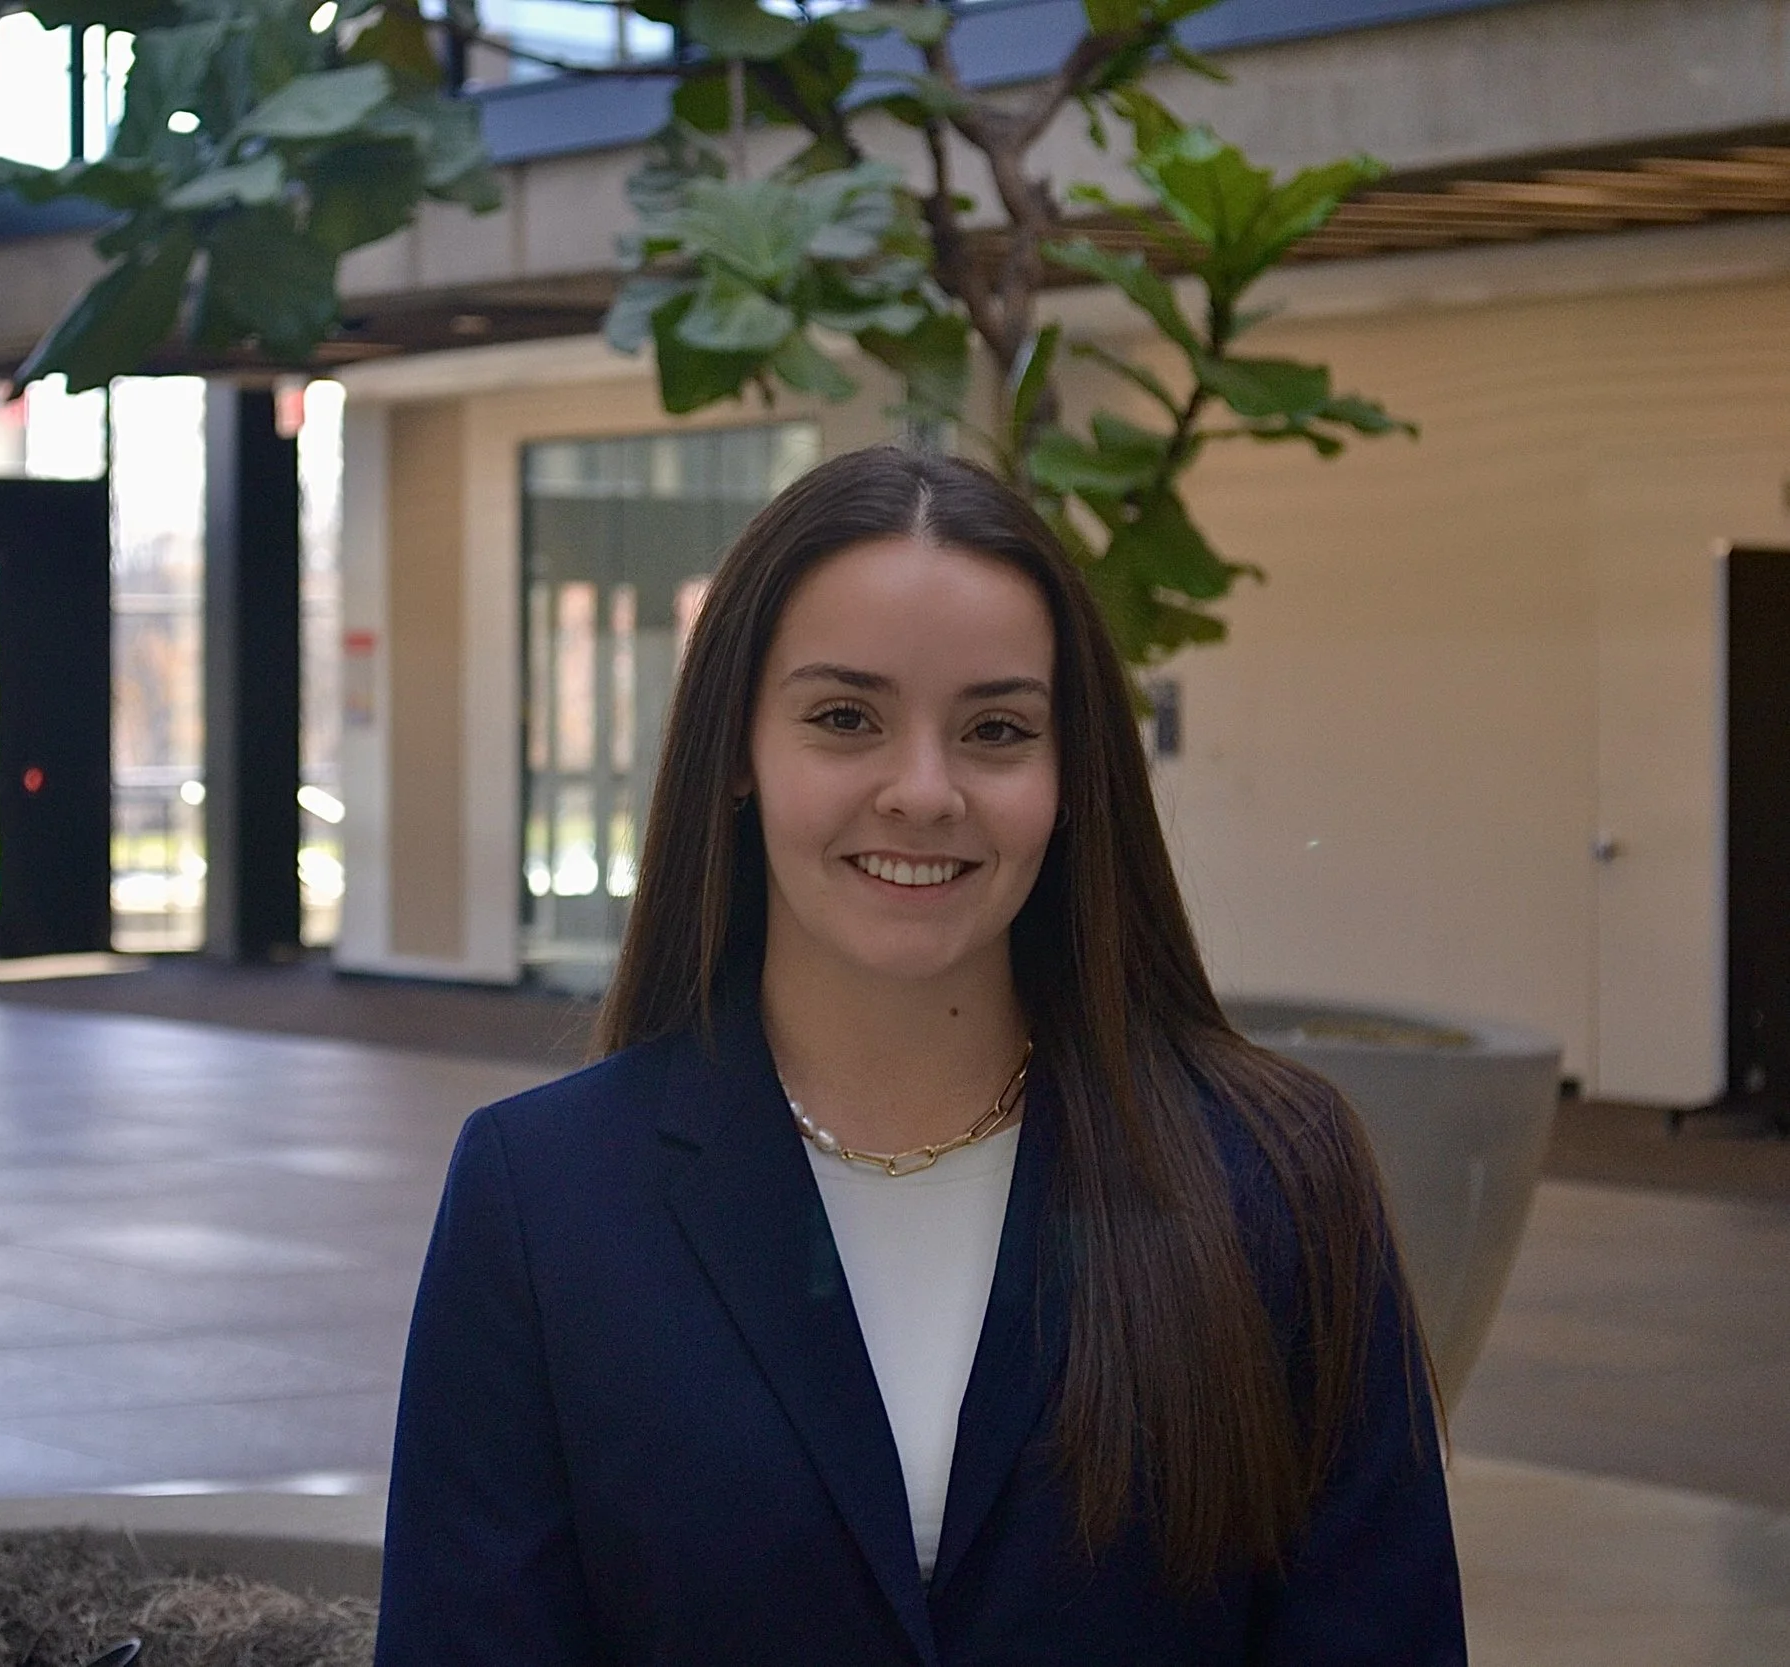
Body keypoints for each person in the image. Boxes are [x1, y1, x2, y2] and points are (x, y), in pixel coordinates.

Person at [375, 445, 1464, 1665]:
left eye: (996, 728)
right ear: (737, 750)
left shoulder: (1274, 1174)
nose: (924, 790)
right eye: (846, 717)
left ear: (1067, 774)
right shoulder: (542, 1194)